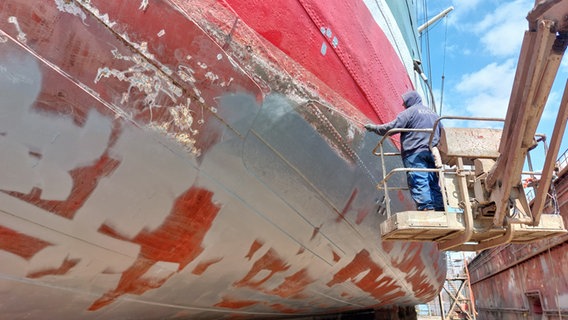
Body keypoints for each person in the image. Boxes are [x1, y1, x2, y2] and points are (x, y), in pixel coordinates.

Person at [365, 90, 444, 211]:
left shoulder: (410, 112)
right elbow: (442, 134)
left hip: (414, 152)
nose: (403, 105)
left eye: (405, 102)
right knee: (432, 180)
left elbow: (391, 127)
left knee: (419, 179)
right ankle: (439, 208)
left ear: (411, 100)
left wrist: (374, 128)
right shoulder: (434, 115)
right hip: (431, 153)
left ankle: (427, 208)